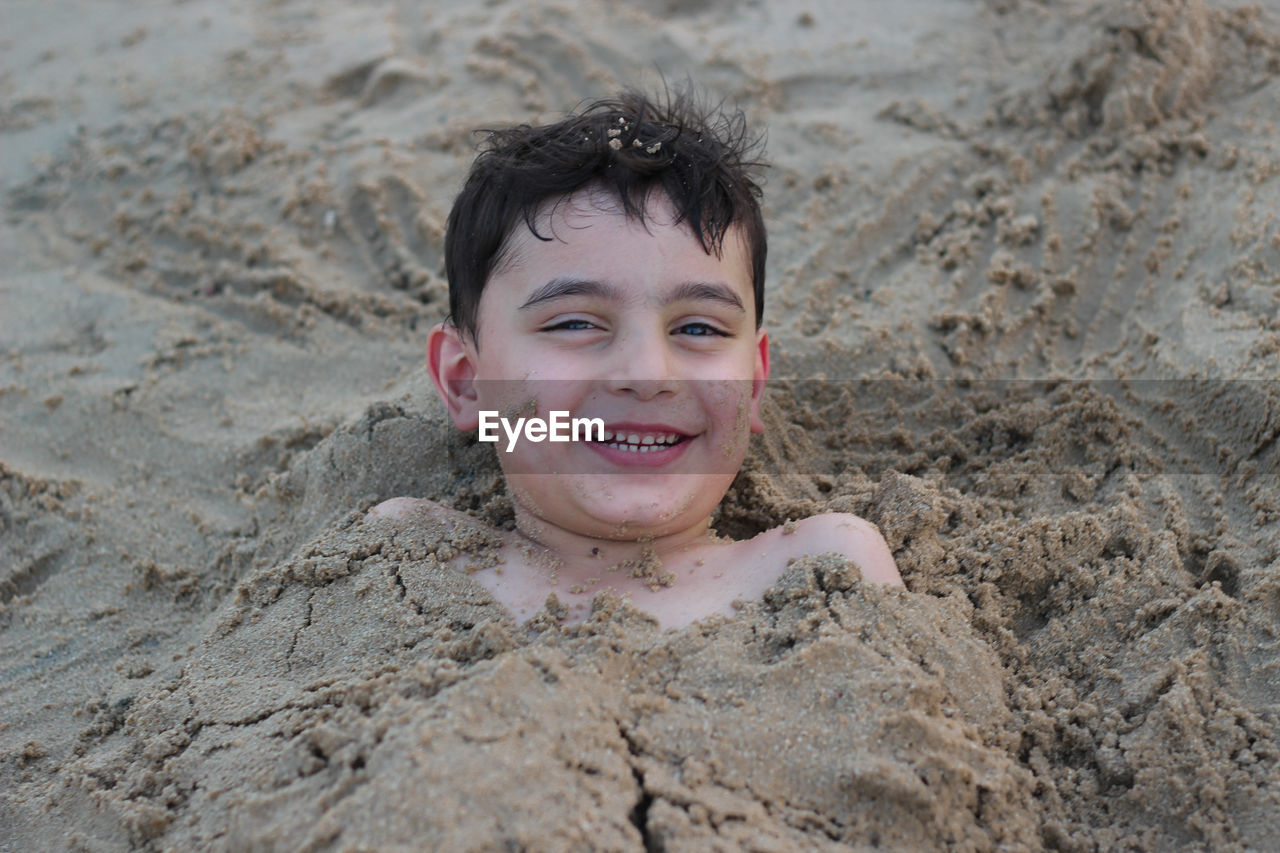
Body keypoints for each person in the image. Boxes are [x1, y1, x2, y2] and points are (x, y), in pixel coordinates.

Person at [370, 89, 902, 629]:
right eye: (575, 323)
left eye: (698, 328)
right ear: (466, 383)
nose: (648, 374)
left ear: (752, 385)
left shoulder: (821, 565)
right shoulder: (409, 560)